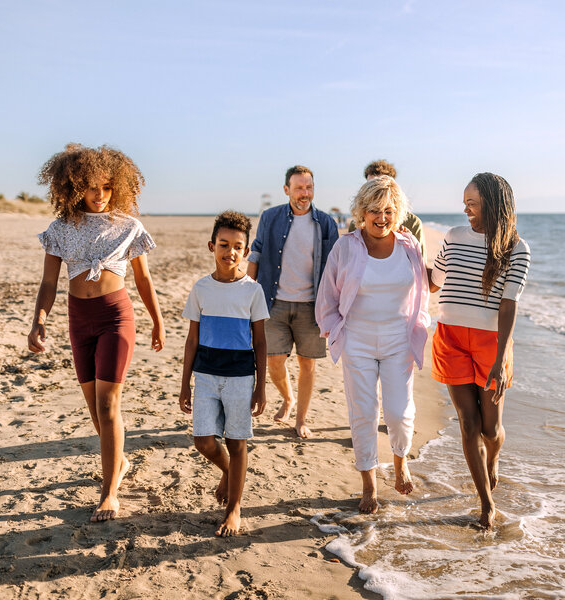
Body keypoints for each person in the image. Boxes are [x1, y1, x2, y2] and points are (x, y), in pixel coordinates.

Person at [27, 143, 165, 522]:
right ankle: (118, 461)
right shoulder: (59, 230)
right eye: (91, 187)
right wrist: (39, 319)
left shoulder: (128, 226)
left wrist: (157, 319)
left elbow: (143, 278)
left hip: (115, 317)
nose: (100, 195)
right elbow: (48, 283)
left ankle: (109, 492)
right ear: (74, 187)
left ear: (116, 186)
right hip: (78, 319)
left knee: (107, 406)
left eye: (106, 187)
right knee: (95, 408)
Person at [316, 176, 430, 514]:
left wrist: (419, 325)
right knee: (363, 413)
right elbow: (327, 299)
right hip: (358, 342)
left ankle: (399, 463)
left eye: (389, 211)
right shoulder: (346, 247)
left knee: (398, 413)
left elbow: (422, 290)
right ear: (361, 212)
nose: (382, 217)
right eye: (374, 210)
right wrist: (338, 332)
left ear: (399, 213)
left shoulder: (410, 245)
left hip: (398, 342)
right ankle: (369, 484)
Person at [428, 172, 530, 530]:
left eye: (472, 203)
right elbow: (432, 281)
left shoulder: (517, 248)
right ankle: (486, 504)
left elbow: (508, 304)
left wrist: (501, 361)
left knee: (491, 429)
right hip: (451, 337)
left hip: (492, 343)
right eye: (465, 203)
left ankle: (494, 459)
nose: (466, 210)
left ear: (492, 203)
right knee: (467, 423)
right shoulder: (454, 237)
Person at [179, 210, 268, 537]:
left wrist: (261, 387)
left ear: (245, 252)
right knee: (203, 440)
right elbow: (191, 339)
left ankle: (234, 509)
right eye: (223, 244)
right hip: (205, 375)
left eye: (237, 247)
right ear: (211, 246)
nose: (229, 252)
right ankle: (231, 473)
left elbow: (260, 341)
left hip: (241, 378)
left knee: (236, 441)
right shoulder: (201, 288)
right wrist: (184, 384)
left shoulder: (252, 291)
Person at [247, 165, 338, 438]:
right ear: (287, 190)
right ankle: (288, 398)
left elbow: (336, 267)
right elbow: (256, 254)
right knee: (273, 361)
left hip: (312, 305)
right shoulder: (270, 217)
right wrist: (246, 293)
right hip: (273, 302)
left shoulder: (325, 223)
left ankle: (300, 419)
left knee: (307, 364)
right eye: (299, 188)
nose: (304, 193)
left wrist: (336, 307)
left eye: (309, 187)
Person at [348, 160, 427, 260]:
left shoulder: (412, 223)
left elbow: (421, 264)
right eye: (370, 185)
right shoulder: (355, 224)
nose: (375, 190)